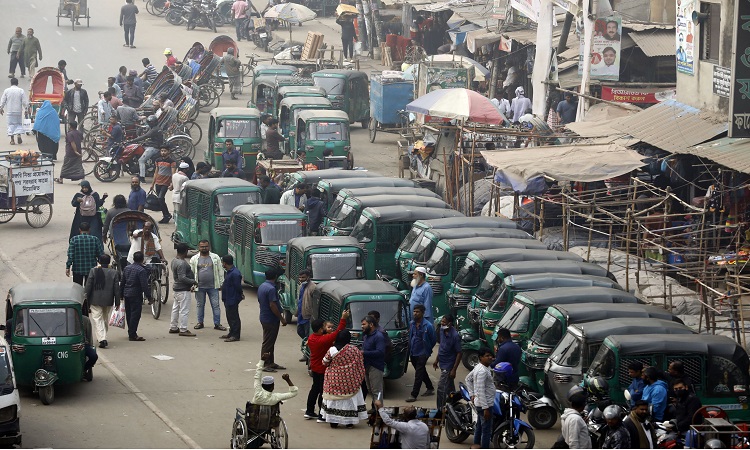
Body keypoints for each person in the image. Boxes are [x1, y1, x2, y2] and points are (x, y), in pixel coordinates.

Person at [305, 311, 349, 420]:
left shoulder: (311, 338)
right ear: (320, 329)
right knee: (323, 391)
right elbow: (338, 331)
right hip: (323, 368)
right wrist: (343, 318)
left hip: (315, 367)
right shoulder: (323, 340)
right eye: (325, 326)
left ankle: (309, 410)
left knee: (314, 389)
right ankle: (321, 414)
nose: (327, 328)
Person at [321, 329, 367, 428]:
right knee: (349, 401)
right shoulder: (354, 349)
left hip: (334, 381)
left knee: (334, 401)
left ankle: (333, 422)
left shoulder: (332, 350)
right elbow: (360, 364)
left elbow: (324, 362)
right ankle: (349, 422)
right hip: (350, 382)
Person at [190, 240, 226, 331]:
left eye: (206, 246)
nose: (204, 248)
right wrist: (191, 284)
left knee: (216, 305)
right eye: (202, 246)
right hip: (199, 287)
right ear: (199, 247)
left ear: (209, 247)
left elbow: (220, 271)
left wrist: (222, 283)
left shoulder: (215, 257)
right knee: (200, 305)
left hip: (213, 286)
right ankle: (200, 322)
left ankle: (217, 324)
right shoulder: (194, 259)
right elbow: (192, 273)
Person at [85, 254, 120, 348]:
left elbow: (88, 287)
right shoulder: (114, 272)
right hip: (108, 300)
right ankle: (102, 337)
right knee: (104, 318)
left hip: (95, 300)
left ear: (99, 262)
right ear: (109, 262)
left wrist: (85, 299)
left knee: (97, 318)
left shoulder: (93, 271)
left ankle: (102, 338)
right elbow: (117, 288)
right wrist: (117, 302)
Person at [465, 348, 495, 449]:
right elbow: (481, 391)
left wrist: (472, 394)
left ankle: (476, 444)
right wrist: (486, 408)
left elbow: (468, 379)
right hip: (484, 404)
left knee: (479, 426)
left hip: (481, 403)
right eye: (487, 356)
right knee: (486, 431)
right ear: (481, 358)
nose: (490, 357)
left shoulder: (480, 367)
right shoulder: (482, 371)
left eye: (490, 355)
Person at [258, 268, 287, 371]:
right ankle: (265, 363)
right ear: (275, 277)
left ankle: (270, 362)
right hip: (270, 319)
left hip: (264, 317)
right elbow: (272, 305)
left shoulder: (262, 286)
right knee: (268, 343)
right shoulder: (271, 289)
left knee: (270, 341)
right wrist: (281, 318)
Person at [120, 251, 153, 341]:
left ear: (133, 259)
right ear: (142, 260)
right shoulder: (142, 270)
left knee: (129, 313)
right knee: (136, 314)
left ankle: (131, 331)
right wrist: (149, 297)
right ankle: (132, 334)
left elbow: (123, 282)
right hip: (136, 294)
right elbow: (144, 285)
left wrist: (120, 294)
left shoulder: (127, 268)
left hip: (127, 293)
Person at [406, 304, 435, 402]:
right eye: (414, 311)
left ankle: (414, 395)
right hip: (413, 352)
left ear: (422, 313)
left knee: (418, 373)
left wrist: (427, 350)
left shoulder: (428, 326)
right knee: (421, 371)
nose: (415, 313)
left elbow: (433, 340)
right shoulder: (411, 324)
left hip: (423, 353)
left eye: (417, 311)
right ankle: (430, 387)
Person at [433, 314, 461, 410]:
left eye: (444, 323)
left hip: (449, 365)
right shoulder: (442, 330)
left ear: (449, 324)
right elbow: (442, 346)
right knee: (449, 388)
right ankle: (455, 405)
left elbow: (459, 353)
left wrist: (454, 370)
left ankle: (440, 410)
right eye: (442, 322)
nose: (442, 324)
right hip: (442, 362)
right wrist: (437, 359)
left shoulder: (455, 336)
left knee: (441, 388)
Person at [169, 243, 197, 337]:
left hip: (177, 289)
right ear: (186, 251)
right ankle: (183, 329)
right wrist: (193, 281)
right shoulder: (182, 263)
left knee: (175, 308)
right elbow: (182, 278)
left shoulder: (174, 261)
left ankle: (173, 327)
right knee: (184, 310)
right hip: (183, 289)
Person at [66, 221, 105, 286]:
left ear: (79, 230)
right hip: (91, 270)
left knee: (77, 289)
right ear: (89, 229)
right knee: (89, 289)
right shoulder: (95, 239)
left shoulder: (74, 240)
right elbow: (101, 255)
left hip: (77, 269)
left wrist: (68, 267)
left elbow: (70, 255)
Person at [361, 315, 386, 409]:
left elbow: (380, 352)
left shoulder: (378, 336)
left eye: (364, 324)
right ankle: (376, 411)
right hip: (366, 366)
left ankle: (380, 415)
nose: (362, 326)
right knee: (370, 390)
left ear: (371, 324)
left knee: (377, 391)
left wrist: (364, 353)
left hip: (375, 366)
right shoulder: (366, 335)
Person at [132, 115, 163, 182]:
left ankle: (142, 177)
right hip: (153, 145)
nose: (149, 124)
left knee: (141, 160)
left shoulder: (154, 130)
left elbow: (145, 136)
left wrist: (132, 140)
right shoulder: (156, 128)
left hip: (154, 147)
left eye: (150, 122)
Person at [150, 145, 176, 224]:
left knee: (161, 198)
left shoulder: (172, 162)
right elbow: (156, 172)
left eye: (165, 151)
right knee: (160, 199)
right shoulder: (157, 160)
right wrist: (152, 184)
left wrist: (172, 184)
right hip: (158, 182)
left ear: (168, 151)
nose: (163, 152)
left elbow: (173, 174)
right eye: (162, 151)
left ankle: (166, 215)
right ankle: (166, 215)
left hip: (166, 183)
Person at [220, 254, 243, 342]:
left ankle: (235, 335)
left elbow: (238, 287)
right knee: (229, 316)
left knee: (234, 317)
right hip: (228, 298)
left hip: (232, 298)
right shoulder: (229, 271)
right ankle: (231, 332)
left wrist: (240, 294)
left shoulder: (235, 273)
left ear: (225, 263)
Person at [0, 77, 28, 145]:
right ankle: (18, 135)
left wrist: (1, 108)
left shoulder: (7, 90)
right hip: (18, 111)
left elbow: (3, 100)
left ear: (11, 83)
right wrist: (26, 109)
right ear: (17, 83)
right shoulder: (21, 90)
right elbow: (25, 101)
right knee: (18, 124)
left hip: (10, 111)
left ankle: (12, 140)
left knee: (10, 125)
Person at [295, 269, 315, 360]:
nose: (301, 279)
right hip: (300, 314)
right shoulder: (301, 286)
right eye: (300, 277)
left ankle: (307, 355)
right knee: (300, 331)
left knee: (308, 336)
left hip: (308, 316)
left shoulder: (313, 287)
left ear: (308, 277)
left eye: (303, 277)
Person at [57, 120, 86, 184]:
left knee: (66, 166)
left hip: (70, 152)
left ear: (70, 126)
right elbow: (81, 139)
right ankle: (83, 179)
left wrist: (75, 151)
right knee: (79, 166)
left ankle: (61, 179)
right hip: (79, 151)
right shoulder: (79, 133)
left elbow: (72, 143)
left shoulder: (70, 134)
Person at [81, 315, 98, 381]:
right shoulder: (63, 318)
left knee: (93, 356)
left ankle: (84, 370)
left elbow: (89, 335)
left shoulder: (85, 319)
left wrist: (90, 344)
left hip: (83, 343)